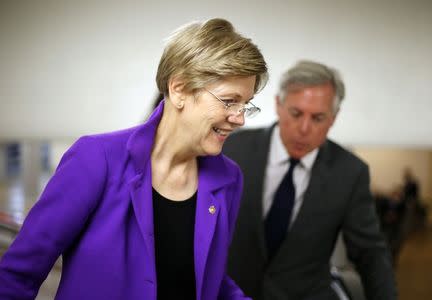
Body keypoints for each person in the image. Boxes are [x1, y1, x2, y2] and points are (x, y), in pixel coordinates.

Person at [0, 18, 268, 300]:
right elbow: (18, 275)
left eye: (245, 104)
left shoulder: (228, 178)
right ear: (179, 90)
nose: (239, 119)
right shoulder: (96, 159)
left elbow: (204, 279)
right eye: (229, 101)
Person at [223, 60, 397, 300]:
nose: (304, 129)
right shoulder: (231, 149)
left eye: (317, 118)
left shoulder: (350, 172)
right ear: (278, 104)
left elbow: (370, 254)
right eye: (296, 114)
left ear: (333, 119)